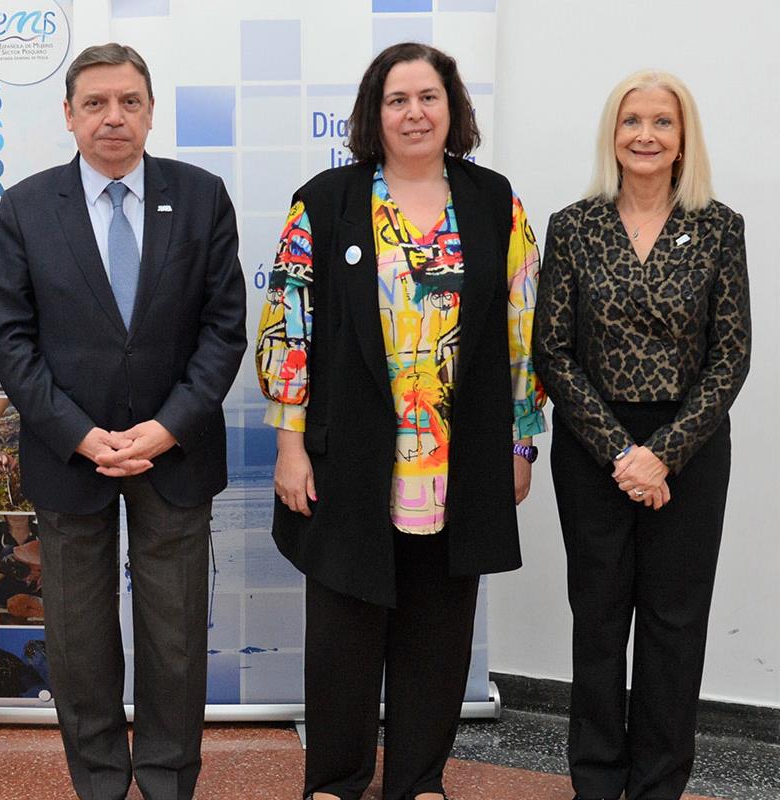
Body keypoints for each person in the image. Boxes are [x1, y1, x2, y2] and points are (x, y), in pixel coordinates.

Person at [256, 42, 545, 800]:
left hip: (462, 456)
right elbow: (289, 329)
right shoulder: (325, 200)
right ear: (372, 113)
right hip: (349, 455)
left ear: (452, 108)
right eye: (397, 99)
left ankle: (419, 779)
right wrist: (290, 446)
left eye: (428, 97)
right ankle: (335, 781)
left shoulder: (494, 201)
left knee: (439, 633)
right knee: (345, 632)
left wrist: (522, 442)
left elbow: (524, 331)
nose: (414, 113)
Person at [0, 42, 247, 800]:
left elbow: (223, 329)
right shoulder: (29, 206)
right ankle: (99, 781)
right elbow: (9, 335)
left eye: (129, 101)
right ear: (68, 115)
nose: (113, 117)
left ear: (151, 110)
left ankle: (167, 781)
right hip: (71, 458)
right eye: (95, 103)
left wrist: (167, 428)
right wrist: (76, 431)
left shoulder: (201, 196)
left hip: (176, 453)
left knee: (173, 639)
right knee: (78, 643)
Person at [532, 70, 750, 800]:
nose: (646, 135)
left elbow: (731, 355)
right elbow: (552, 352)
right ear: (613, 134)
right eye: (633, 121)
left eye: (663, 122)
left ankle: (659, 784)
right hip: (597, 447)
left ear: (684, 137)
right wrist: (624, 451)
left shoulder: (720, 226)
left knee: (674, 624)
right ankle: (595, 782)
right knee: (598, 617)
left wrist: (663, 453)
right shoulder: (573, 225)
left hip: (688, 449)